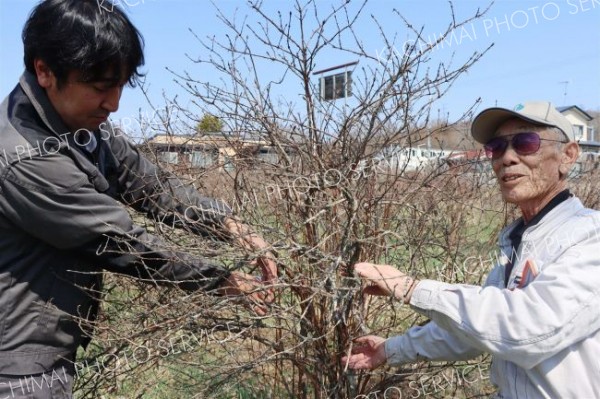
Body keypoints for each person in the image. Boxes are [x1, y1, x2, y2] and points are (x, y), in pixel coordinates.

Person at [0, 1, 277, 397]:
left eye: (120, 85)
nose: (113, 104)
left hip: (45, 350)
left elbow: (152, 185)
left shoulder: (80, 124)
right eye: (99, 88)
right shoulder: (23, 157)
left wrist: (229, 223)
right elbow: (122, 242)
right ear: (44, 71)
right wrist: (221, 280)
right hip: (16, 367)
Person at [343, 101, 600, 398]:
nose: (507, 158)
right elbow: (481, 331)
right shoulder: (520, 240)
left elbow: (530, 329)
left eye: (525, 142)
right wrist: (392, 349)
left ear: (568, 156)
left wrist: (410, 288)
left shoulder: (589, 236)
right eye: (496, 147)